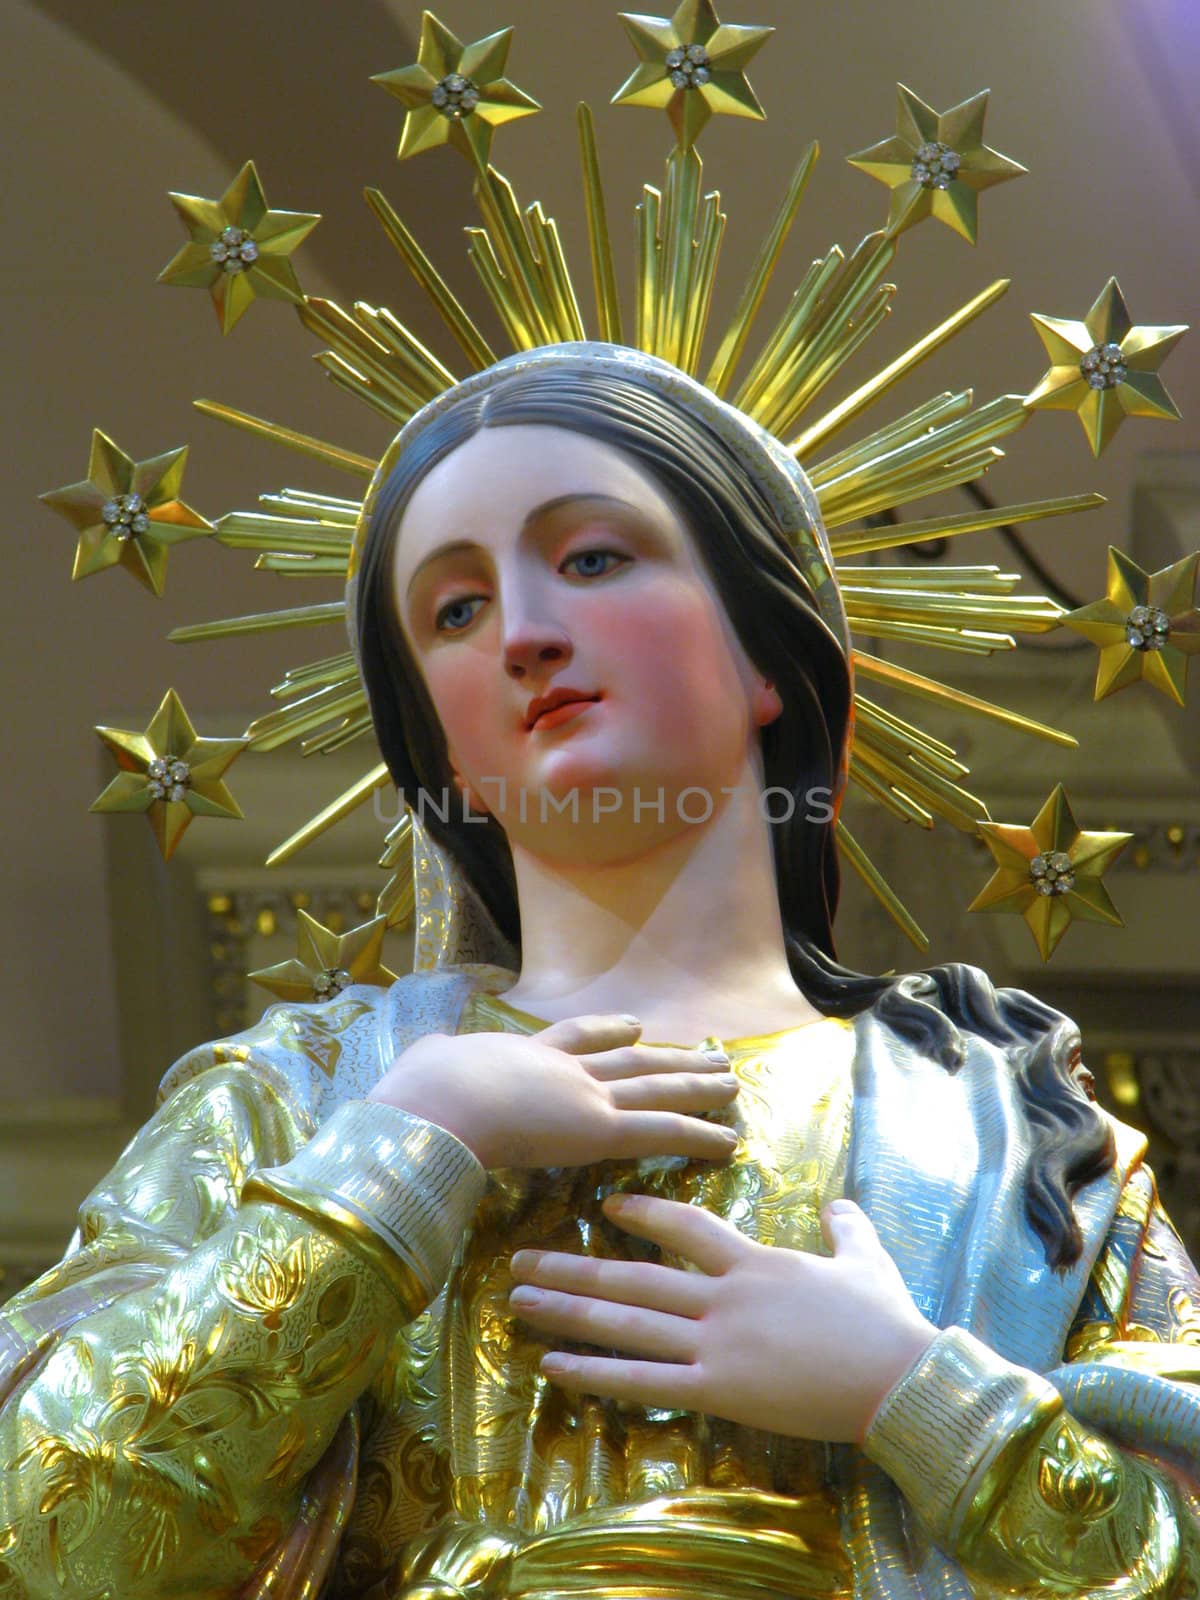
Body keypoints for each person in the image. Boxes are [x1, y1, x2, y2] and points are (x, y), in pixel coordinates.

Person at [3, 345, 1199, 1600]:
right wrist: (409, 1149)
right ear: (445, 756)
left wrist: (917, 1395)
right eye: (454, 611)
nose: (523, 632)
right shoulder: (295, 1103)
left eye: (591, 559)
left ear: (759, 653)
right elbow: (43, 1540)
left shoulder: (1011, 1137)